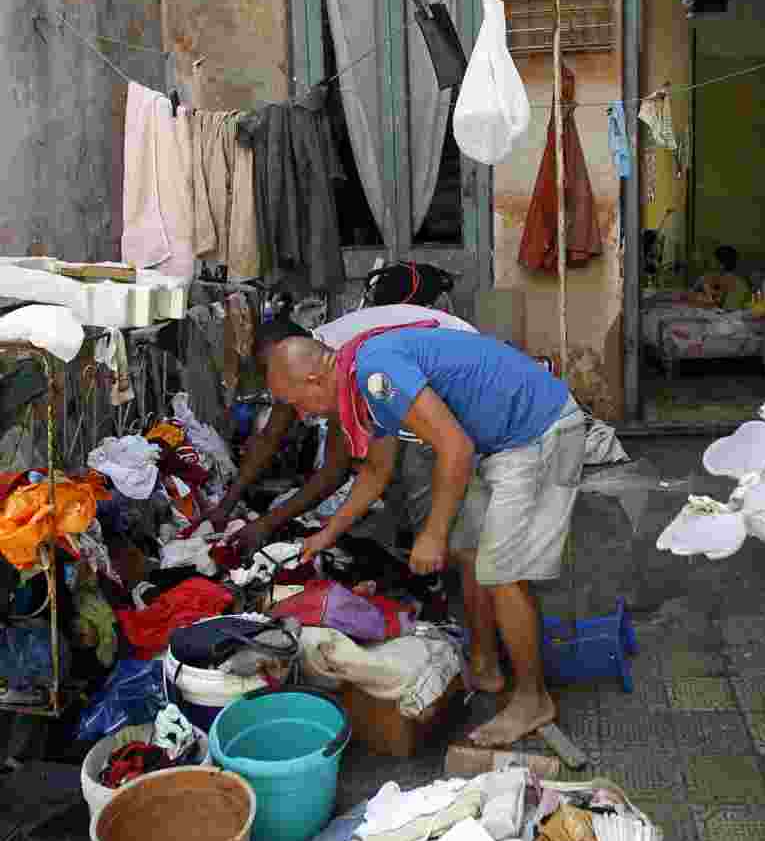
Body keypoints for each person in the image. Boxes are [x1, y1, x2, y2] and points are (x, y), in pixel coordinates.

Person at [266, 326, 586, 747]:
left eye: (295, 402)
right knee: (471, 553)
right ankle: (486, 667)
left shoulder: (375, 373)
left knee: (503, 573)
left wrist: (432, 534)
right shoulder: (360, 383)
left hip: (538, 430)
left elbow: (455, 449)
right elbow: (377, 470)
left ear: (313, 379)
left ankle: (533, 699)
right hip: (502, 441)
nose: (303, 414)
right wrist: (329, 533)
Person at [208, 305, 476, 554]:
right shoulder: (304, 363)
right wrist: (226, 505)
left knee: (426, 488)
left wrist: (266, 525)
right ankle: (424, 555)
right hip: (440, 371)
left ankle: (439, 562)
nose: (302, 414)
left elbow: (335, 470)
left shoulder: (341, 368)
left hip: (459, 378)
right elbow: (270, 436)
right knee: (395, 476)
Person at [683, 245, 750, 310]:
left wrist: (705, 297)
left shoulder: (737, 283)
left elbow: (729, 308)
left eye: (713, 260)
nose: (709, 261)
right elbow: (689, 296)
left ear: (721, 264)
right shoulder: (706, 278)